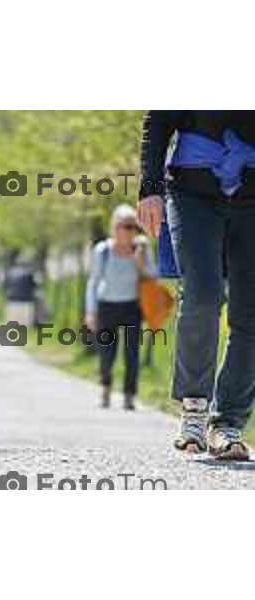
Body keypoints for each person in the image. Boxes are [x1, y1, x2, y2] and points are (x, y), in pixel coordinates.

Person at [137, 110, 255, 461]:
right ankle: (194, 408)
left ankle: (228, 423)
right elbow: (157, 123)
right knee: (203, 293)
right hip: (193, 193)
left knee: (251, 311)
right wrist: (150, 188)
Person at [85, 204, 155, 410]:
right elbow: (93, 282)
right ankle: (106, 387)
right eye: (125, 226)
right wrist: (90, 311)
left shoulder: (141, 248)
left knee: (132, 353)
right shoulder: (103, 250)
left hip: (132, 306)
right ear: (115, 227)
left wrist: (139, 263)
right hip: (107, 305)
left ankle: (129, 395)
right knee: (107, 353)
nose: (130, 230)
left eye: (134, 226)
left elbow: (154, 276)